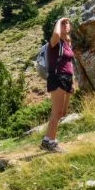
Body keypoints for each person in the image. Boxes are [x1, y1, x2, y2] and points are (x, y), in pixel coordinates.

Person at [41, 16, 75, 153]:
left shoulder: (67, 43)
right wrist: (59, 20)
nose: (66, 25)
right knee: (57, 112)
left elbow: (69, 63)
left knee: (62, 112)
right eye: (63, 24)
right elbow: (55, 34)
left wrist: (72, 82)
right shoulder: (54, 42)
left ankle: (46, 141)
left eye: (67, 23)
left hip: (67, 78)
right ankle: (51, 142)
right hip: (57, 77)